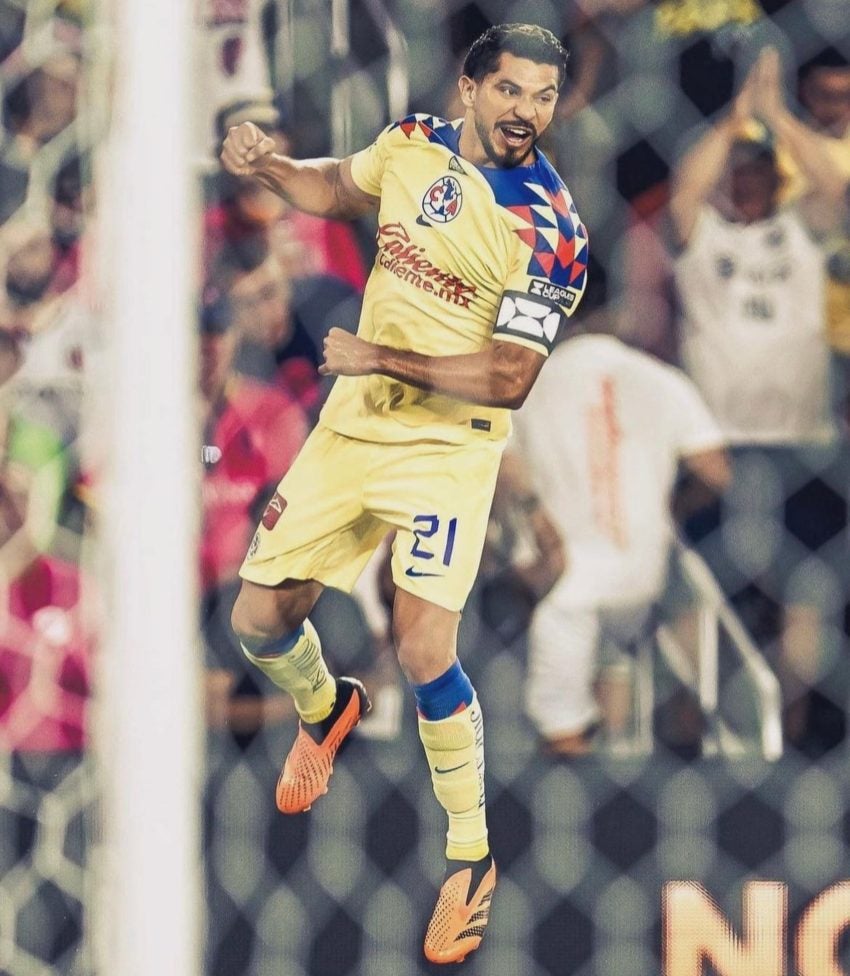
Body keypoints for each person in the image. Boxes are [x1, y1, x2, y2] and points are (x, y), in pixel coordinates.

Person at [220, 22, 588, 964]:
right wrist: (268, 166)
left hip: (447, 445)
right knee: (258, 621)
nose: (527, 113)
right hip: (355, 423)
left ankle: (469, 857)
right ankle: (325, 707)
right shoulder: (415, 141)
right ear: (469, 88)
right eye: (511, 91)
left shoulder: (552, 230)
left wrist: (377, 352)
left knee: (426, 643)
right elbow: (339, 187)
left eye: (544, 97)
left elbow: (510, 379)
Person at [671, 48, 848, 749]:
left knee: (807, 598)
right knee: (705, 594)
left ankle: (799, 734)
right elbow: (686, 189)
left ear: (777, 175)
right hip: (723, 448)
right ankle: (686, 738)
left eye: (759, 168)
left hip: (802, 449)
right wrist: (735, 121)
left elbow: (834, 184)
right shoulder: (701, 236)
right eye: (738, 168)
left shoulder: (800, 232)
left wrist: (775, 118)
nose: (747, 178)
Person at [511, 303, 730, 755]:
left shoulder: (526, 384)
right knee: (622, 674)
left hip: (564, 577)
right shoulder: (659, 377)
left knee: (562, 733)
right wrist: (670, 506)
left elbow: (500, 462)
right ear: (614, 313)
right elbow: (716, 472)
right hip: (644, 575)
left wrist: (534, 512)